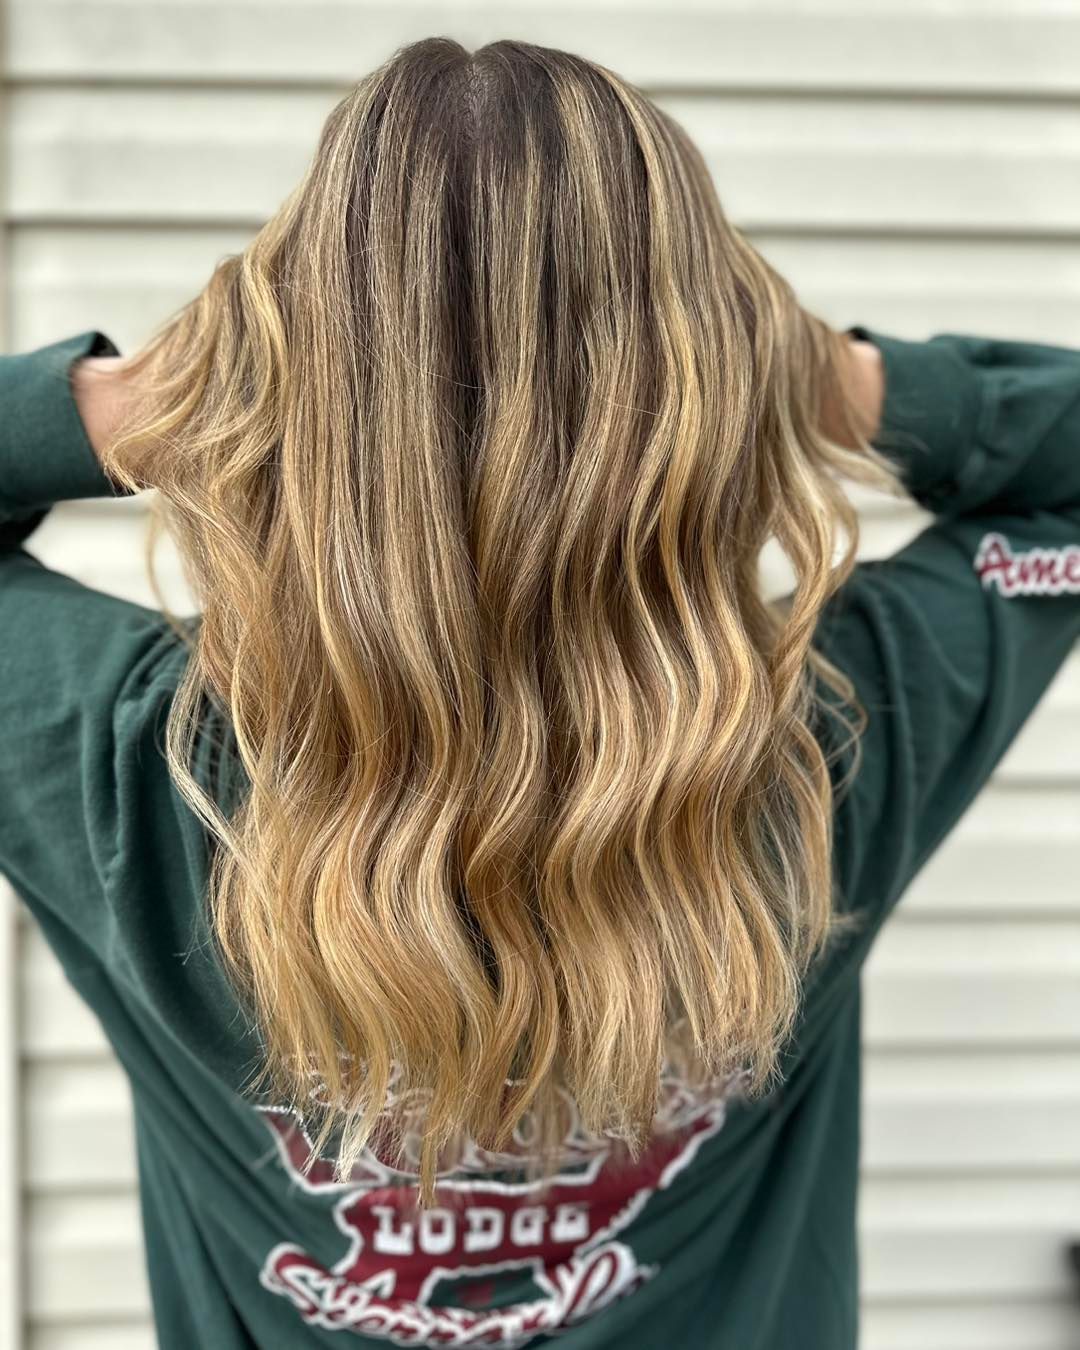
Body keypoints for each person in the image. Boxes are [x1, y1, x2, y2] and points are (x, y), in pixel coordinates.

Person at [1, 35, 1078, 1350]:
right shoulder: (833, 735)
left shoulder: (131, 762)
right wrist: (828, 380)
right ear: (706, 386)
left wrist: (133, 403)